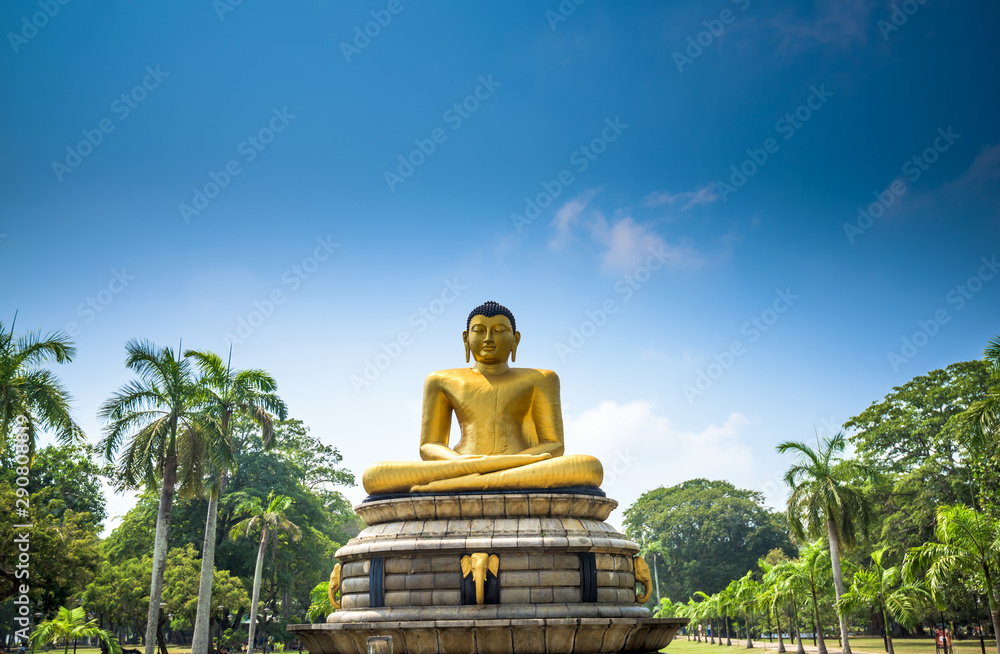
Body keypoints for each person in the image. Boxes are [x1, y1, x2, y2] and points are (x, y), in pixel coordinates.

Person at [362, 301, 603, 494]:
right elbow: (429, 445)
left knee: (588, 467)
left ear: (515, 339)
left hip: (520, 466)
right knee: (374, 475)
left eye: (499, 331)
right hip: (462, 465)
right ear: (466, 338)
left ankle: (466, 483)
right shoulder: (440, 380)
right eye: (479, 331)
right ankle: (483, 479)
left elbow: (554, 445)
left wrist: (506, 463)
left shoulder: (540, 378)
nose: (488, 338)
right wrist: (464, 464)